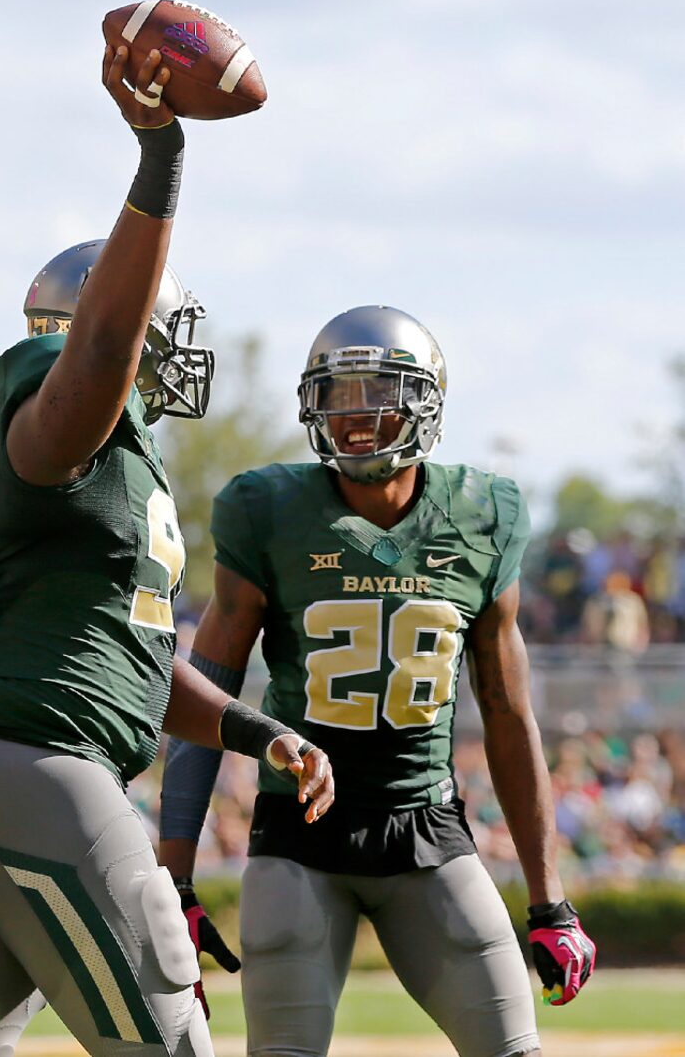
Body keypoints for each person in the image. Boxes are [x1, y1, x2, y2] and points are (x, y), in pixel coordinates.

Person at [0, 44, 333, 1057]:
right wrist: (159, 156)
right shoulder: (53, 392)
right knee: (168, 1041)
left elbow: (132, 665)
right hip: (34, 767)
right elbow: (92, 355)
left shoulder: (112, 474)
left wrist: (259, 733)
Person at [160, 306, 596, 1057]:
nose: (355, 413)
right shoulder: (267, 510)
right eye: (338, 393)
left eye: (377, 390)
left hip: (426, 825)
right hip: (299, 836)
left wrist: (549, 901)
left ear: (426, 402)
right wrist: (175, 882)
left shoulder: (483, 515)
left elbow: (508, 713)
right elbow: (208, 693)